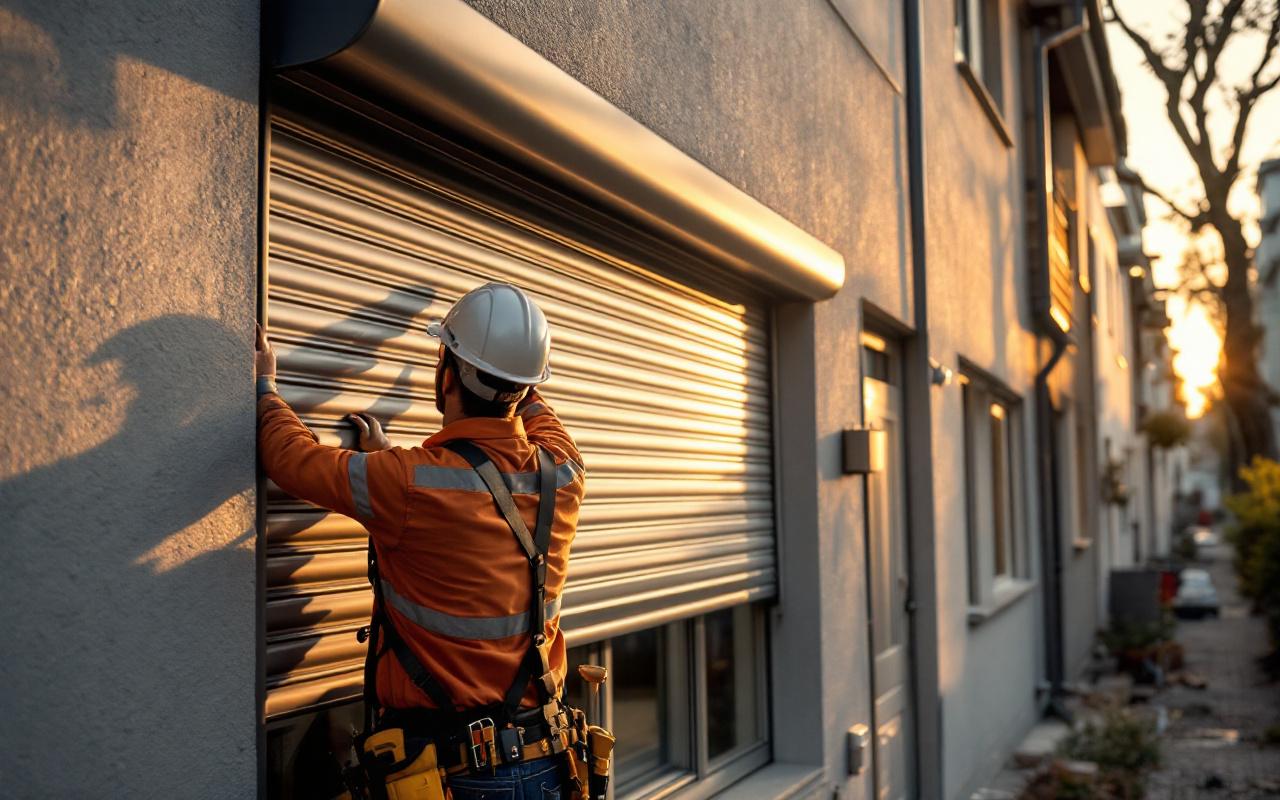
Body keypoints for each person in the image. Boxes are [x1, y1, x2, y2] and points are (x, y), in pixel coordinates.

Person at [256, 282, 587, 799]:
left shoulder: (408, 483)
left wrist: (265, 388)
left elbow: (290, 460)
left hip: (457, 779)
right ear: (523, 388)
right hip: (548, 764)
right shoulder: (564, 471)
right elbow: (524, 405)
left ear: (445, 373)